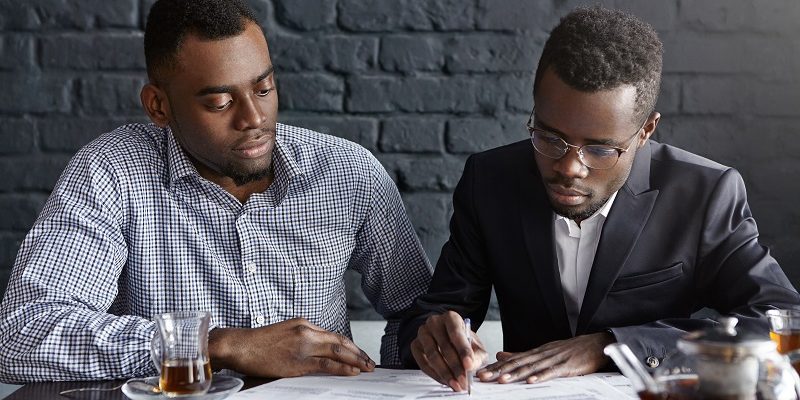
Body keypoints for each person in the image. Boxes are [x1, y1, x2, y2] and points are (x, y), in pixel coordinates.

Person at [0, 0, 431, 383]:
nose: (253, 118)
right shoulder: (112, 172)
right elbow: (21, 333)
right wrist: (219, 345)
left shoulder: (348, 172)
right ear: (159, 106)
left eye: (263, 89)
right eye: (220, 103)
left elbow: (416, 312)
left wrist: (433, 342)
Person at [398, 5, 800, 392]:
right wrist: (435, 335)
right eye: (549, 138)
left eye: (601, 150)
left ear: (645, 131)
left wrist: (612, 345)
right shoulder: (490, 181)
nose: (570, 168)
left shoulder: (704, 195)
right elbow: (433, 314)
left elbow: (781, 320)